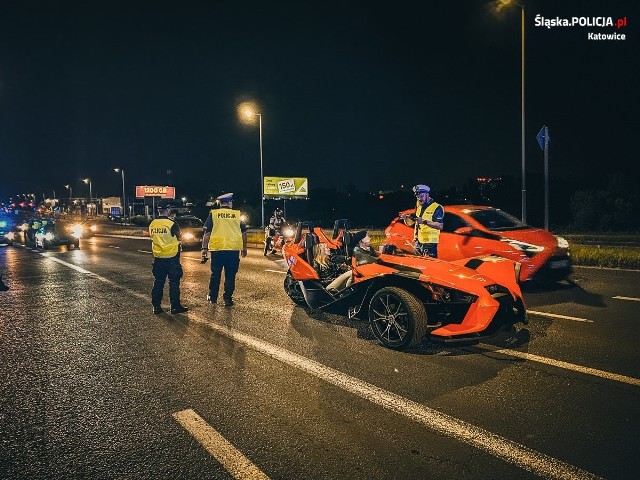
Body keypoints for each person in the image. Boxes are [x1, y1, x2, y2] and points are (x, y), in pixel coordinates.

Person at [201, 192, 248, 306]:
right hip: (232, 250)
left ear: (220, 203)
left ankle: (213, 298)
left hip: (217, 250)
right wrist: (244, 248)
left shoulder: (214, 214)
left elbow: (207, 233)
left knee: (215, 274)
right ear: (229, 202)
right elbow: (244, 234)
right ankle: (227, 299)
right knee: (230, 276)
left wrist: (204, 248)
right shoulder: (237, 214)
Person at [149, 202, 188, 315]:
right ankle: (175, 307)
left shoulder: (152, 224)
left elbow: (153, 237)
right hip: (171, 258)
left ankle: (156, 307)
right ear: (168, 209)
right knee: (174, 282)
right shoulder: (172, 224)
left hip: (158, 257)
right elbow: (180, 238)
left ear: (158, 210)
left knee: (158, 282)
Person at [400, 184, 444, 258]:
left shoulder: (437, 207)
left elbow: (440, 226)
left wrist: (424, 221)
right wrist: (405, 218)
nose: (419, 199)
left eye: (421, 196)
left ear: (427, 194)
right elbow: (412, 223)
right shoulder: (418, 205)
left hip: (430, 244)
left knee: (430, 267)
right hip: (418, 242)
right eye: (417, 197)